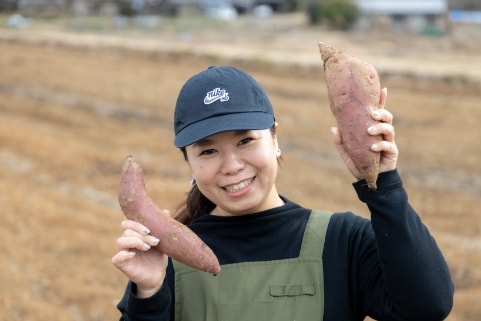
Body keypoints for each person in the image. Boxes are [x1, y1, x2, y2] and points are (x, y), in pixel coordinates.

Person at [112, 66, 454, 321]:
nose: (231, 166)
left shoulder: (342, 241)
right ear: (188, 161)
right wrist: (148, 293)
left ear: (275, 139)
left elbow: (427, 307)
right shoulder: (169, 259)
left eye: (246, 141)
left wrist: (384, 185)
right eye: (207, 151)